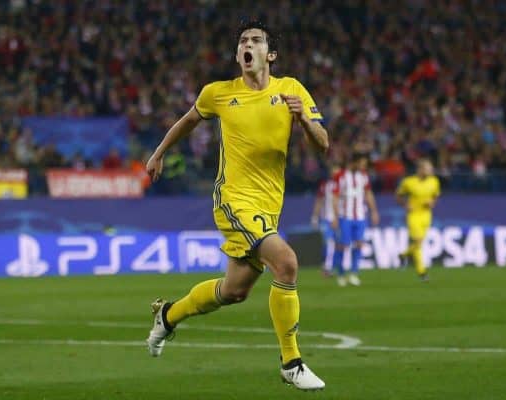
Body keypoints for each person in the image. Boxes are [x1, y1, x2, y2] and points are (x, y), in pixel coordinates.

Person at [145, 20, 328, 390]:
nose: (248, 45)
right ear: (238, 54)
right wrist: (159, 153)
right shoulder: (218, 93)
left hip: (268, 204)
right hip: (233, 199)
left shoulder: (291, 89)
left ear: (269, 54)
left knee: (234, 291)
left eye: (256, 40)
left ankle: (168, 314)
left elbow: (322, 144)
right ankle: (291, 361)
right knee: (287, 262)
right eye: (243, 41)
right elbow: (188, 121)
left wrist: (304, 120)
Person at [331, 153, 379, 287]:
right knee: (342, 244)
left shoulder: (363, 176)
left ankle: (353, 273)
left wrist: (374, 211)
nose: (364, 166)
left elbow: (368, 193)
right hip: (344, 216)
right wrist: (334, 216)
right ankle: (340, 274)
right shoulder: (340, 176)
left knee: (359, 243)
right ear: (354, 162)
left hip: (360, 216)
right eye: (362, 163)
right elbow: (334, 197)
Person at [396, 158, 441, 281]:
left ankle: (403, 255)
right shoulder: (409, 182)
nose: (431, 170)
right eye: (428, 168)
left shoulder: (434, 181)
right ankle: (422, 272)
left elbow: (435, 196)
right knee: (418, 242)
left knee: (418, 243)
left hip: (426, 215)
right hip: (413, 215)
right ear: (420, 169)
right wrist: (405, 205)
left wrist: (432, 203)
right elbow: (398, 196)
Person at [310, 163, 341, 276]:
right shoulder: (325, 185)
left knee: (340, 244)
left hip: (343, 218)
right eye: (334, 170)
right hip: (328, 218)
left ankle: (337, 266)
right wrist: (315, 216)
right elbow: (319, 201)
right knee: (330, 243)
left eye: (337, 169)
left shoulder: (344, 184)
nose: (335, 172)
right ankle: (327, 268)